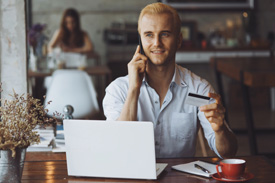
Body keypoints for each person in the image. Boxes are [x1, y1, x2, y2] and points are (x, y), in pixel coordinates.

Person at [103, 2, 237, 158]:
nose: (157, 43)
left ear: (179, 40)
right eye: (149, 35)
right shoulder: (119, 90)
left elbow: (228, 154)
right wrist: (134, 89)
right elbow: (118, 147)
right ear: (140, 40)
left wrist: (220, 130)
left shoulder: (195, 92)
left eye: (165, 34)